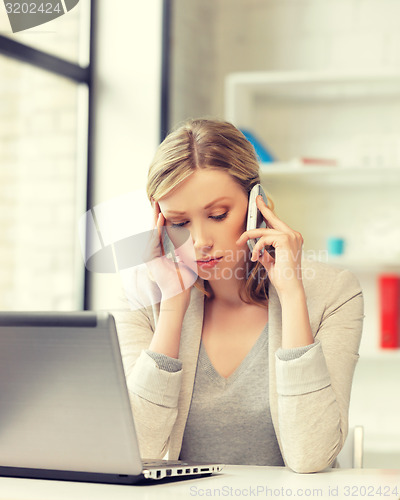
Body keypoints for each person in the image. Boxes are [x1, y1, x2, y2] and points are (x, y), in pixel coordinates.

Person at [113, 119, 364, 473]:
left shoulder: (334, 293)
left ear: (254, 203)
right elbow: (138, 450)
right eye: (179, 222)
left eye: (217, 215)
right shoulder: (142, 295)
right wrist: (172, 306)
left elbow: (311, 456)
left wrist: (293, 296)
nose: (200, 241)